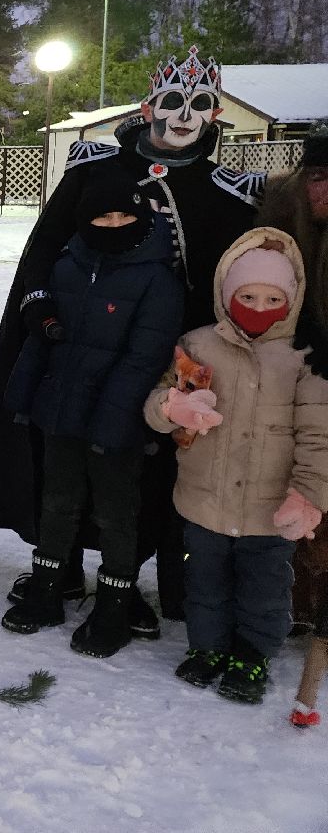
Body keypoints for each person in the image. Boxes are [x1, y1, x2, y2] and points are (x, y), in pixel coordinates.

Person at [0, 48, 260, 632]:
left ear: (216, 114)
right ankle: (62, 567)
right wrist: (37, 304)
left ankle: (125, 581)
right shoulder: (94, 169)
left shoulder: (228, 192)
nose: (183, 116)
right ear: (148, 107)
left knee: (140, 470)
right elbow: (46, 244)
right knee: (60, 455)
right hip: (74, 342)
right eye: (172, 101)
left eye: (199, 103)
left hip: (156, 360)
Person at [0, 168, 183, 657]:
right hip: (61, 410)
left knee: (115, 512)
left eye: (125, 215)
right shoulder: (68, 266)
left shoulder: (158, 280)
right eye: (104, 217)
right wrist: (26, 395)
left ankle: (114, 604)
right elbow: (42, 339)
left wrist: (114, 420)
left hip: (118, 423)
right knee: (58, 501)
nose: (115, 224)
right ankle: (47, 589)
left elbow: (145, 358)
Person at [145, 228, 328, 703]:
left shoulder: (304, 358)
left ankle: (252, 654)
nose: (259, 307)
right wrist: (173, 407)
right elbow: (159, 402)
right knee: (204, 582)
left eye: (273, 298)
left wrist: (308, 496)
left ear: (291, 299)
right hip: (204, 500)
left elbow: (318, 435)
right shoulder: (198, 345)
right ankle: (207, 648)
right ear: (226, 293)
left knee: (264, 589)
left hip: (271, 510)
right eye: (247, 296)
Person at [254, 127, 328, 633]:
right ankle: (296, 601)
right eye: (319, 176)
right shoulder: (280, 220)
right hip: (287, 368)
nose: (326, 190)